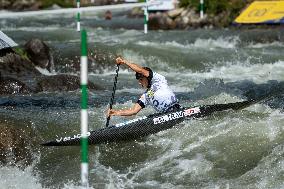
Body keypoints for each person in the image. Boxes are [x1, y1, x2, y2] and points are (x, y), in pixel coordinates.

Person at [107, 57, 180, 117]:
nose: (139, 82)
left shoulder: (158, 80)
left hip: (177, 109)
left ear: (147, 77)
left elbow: (140, 70)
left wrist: (124, 62)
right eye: (139, 80)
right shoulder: (146, 96)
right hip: (165, 116)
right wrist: (116, 112)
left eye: (141, 80)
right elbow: (133, 111)